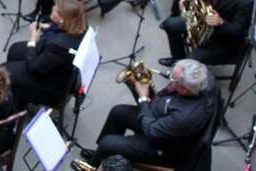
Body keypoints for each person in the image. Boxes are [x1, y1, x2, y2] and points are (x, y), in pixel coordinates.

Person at [73, 59, 214, 170]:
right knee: (118, 112)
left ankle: (93, 165)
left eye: (173, 78)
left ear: (184, 89)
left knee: (108, 143)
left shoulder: (185, 116)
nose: (168, 76)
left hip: (163, 147)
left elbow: (151, 131)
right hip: (163, 122)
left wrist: (143, 98)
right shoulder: (202, 77)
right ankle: (101, 156)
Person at [6, 0, 85, 107]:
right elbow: (61, 29)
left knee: (6, 71)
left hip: (49, 87)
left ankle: (16, 103)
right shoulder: (78, 26)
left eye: (56, 10)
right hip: (55, 64)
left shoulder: (58, 46)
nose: (52, 7)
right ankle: (19, 96)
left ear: (62, 19)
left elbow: (34, 68)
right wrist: (47, 27)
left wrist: (33, 40)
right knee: (15, 49)